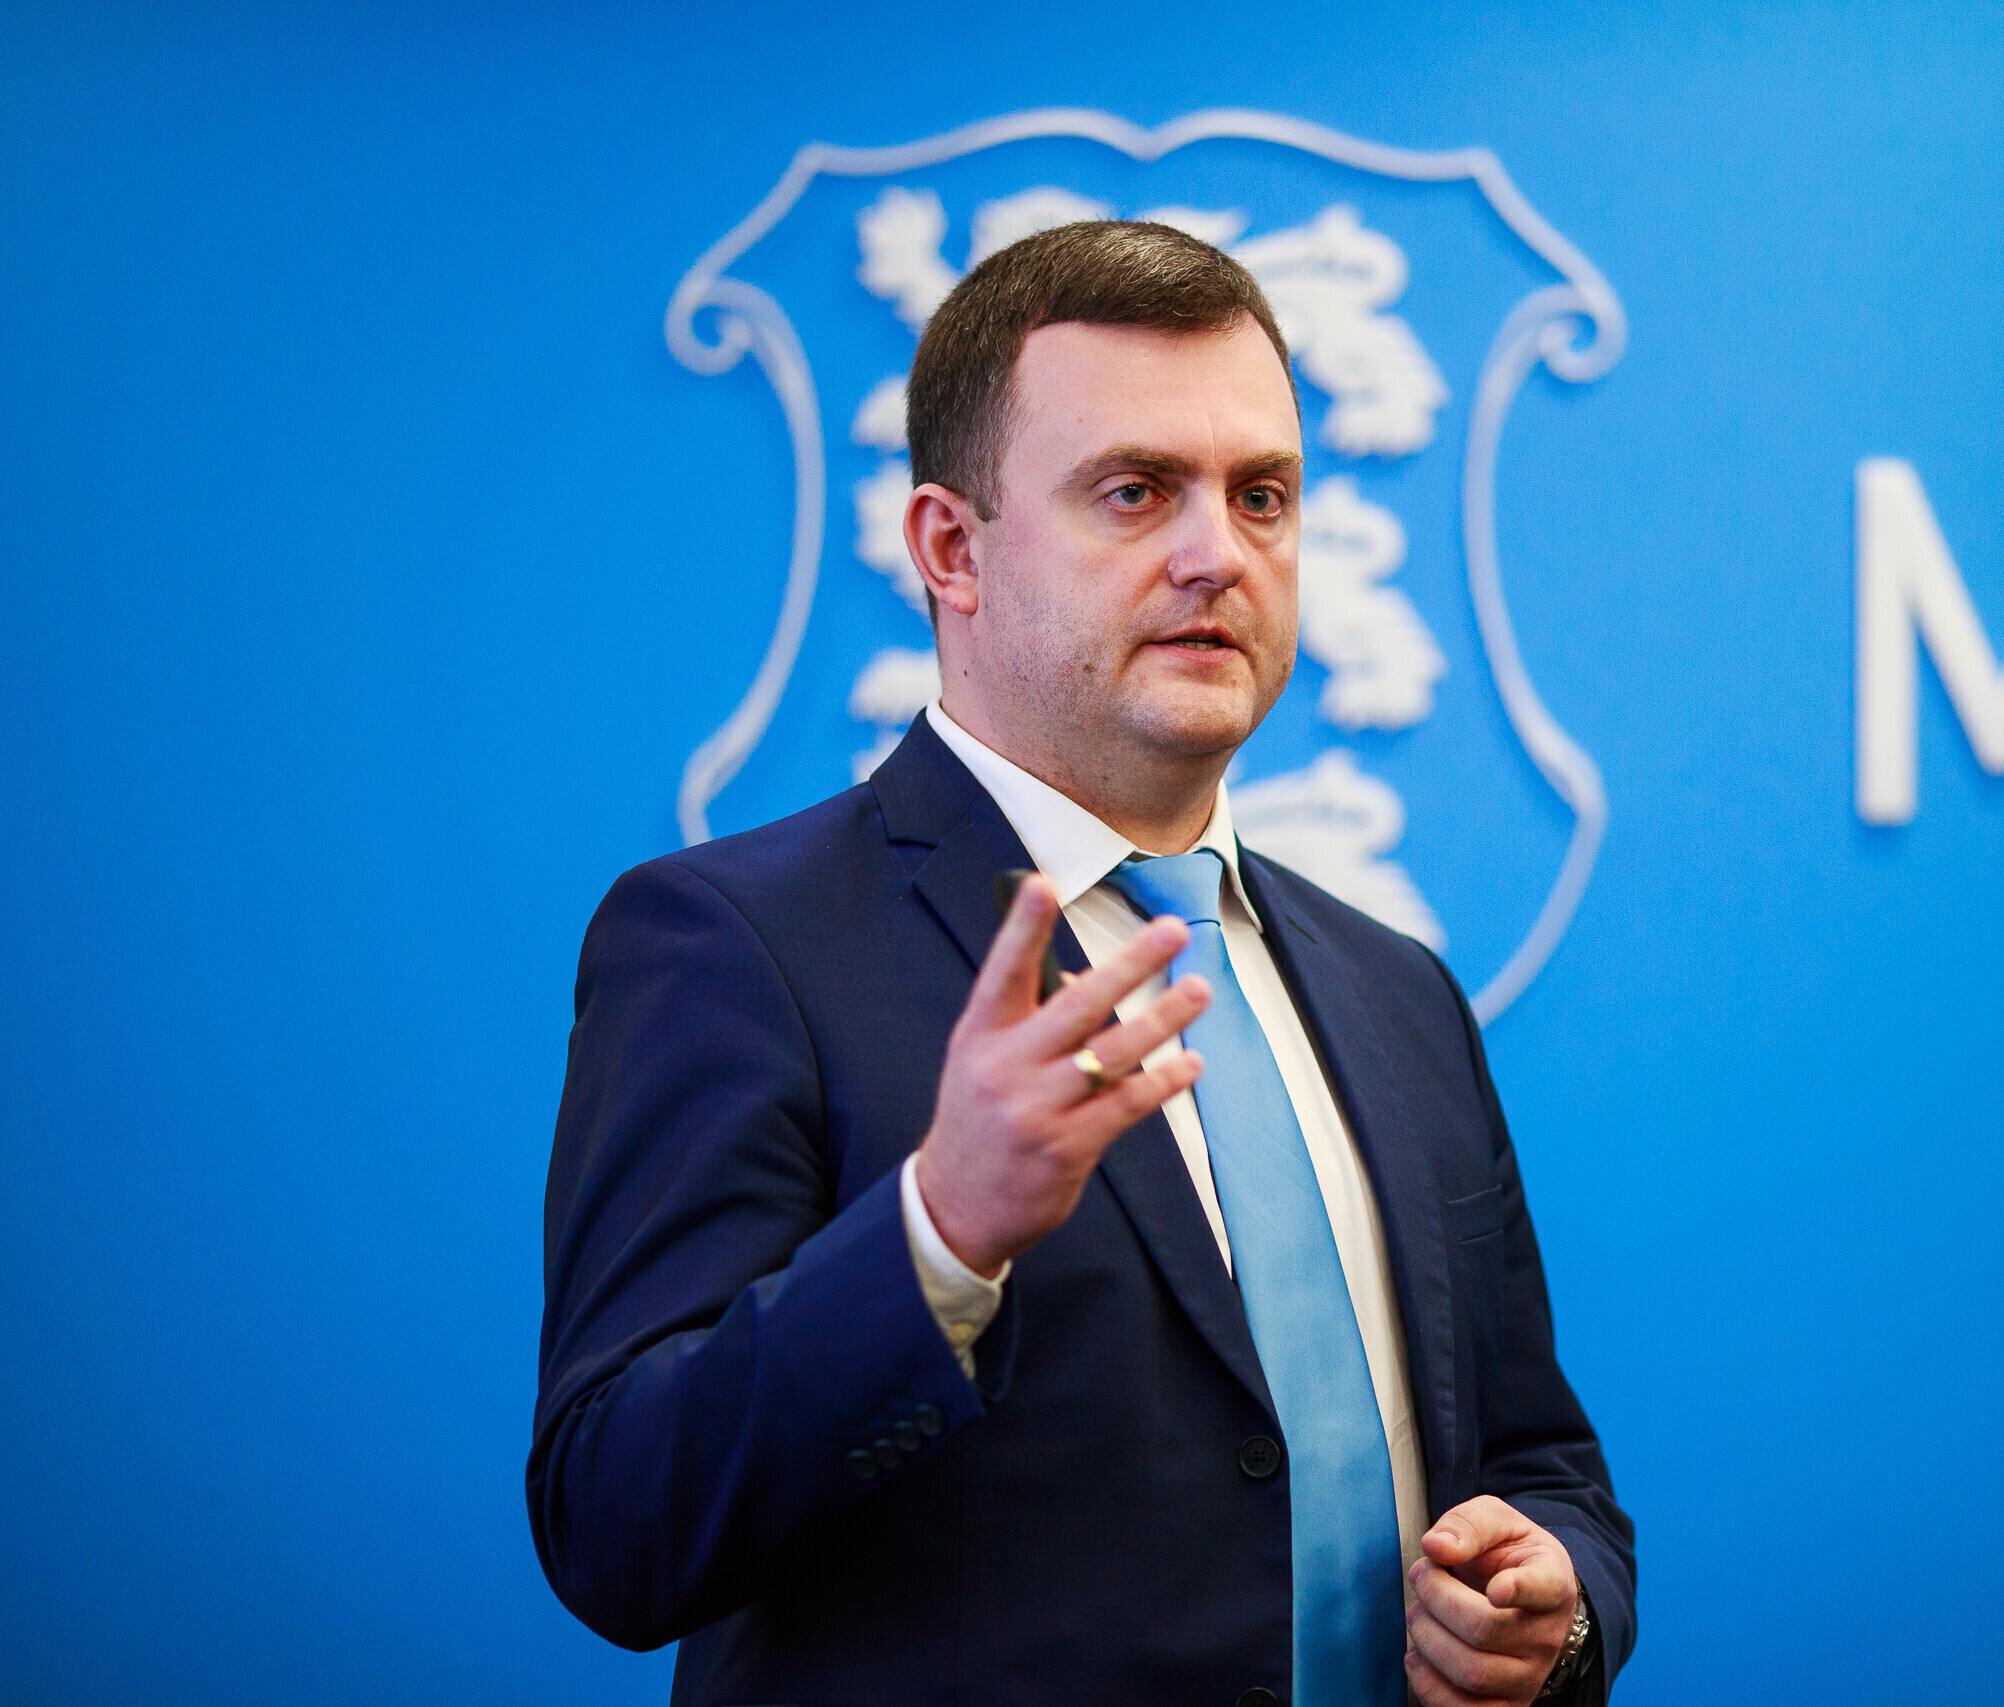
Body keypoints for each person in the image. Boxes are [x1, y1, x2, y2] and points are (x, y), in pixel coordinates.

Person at [531, 220, 1634, 1706]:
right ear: (951, 551)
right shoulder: (735, 944)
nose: (1217, 554)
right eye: (1135, 492)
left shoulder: (1397, 990)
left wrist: (1553, 1616)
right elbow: (615, 1522)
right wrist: (939, 1236)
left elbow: (1539, 1462)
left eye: (1262, 495)